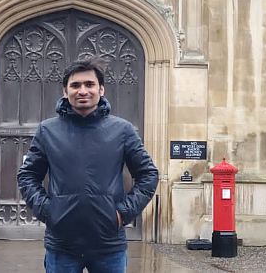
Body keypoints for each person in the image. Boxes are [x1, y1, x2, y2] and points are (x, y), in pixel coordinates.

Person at [17, 58, 159, 273]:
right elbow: (27, 175)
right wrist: (48, 211)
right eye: (75, 85)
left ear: (101, 89)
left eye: (89, 84)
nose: (82, 91)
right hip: (62, 245)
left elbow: (148, 174)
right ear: (65, 91)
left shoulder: (123, 130)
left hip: (108, 246)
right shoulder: (47, 130)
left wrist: (123, 212)